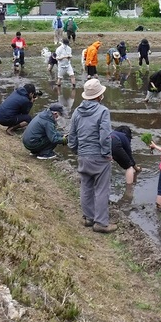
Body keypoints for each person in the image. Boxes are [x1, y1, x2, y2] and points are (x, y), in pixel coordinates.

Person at [68, 79, 116, 233]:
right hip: (99, 157)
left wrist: (77, 150)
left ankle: (89, 217)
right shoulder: (103, 111)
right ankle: (101, 223)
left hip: (83, 155)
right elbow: (105, 136)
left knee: (86, 186)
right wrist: (107, 154)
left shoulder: (76, 111)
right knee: (101, 189)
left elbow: (72, 136)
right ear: (99, 96)